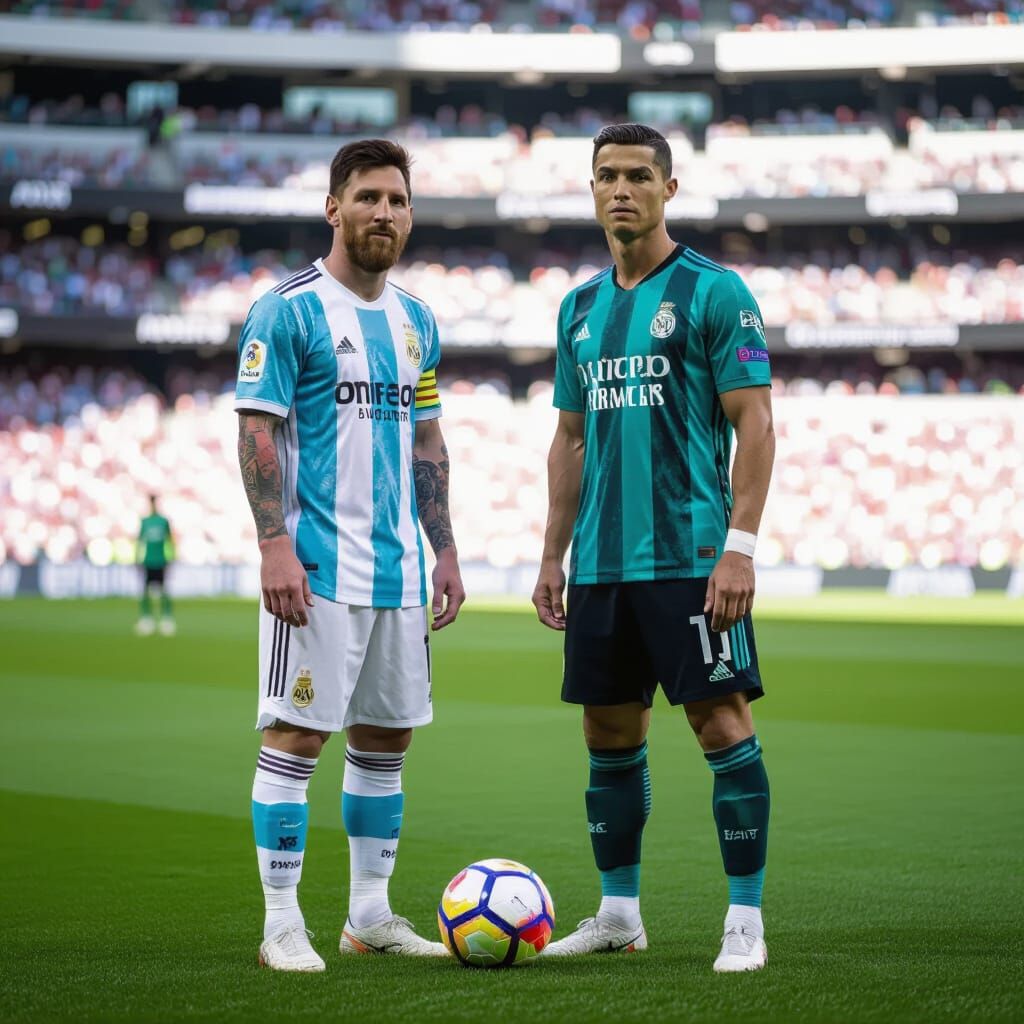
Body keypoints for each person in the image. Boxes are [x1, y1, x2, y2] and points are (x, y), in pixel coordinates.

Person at [532, 123, 775, 973]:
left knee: (720, 722)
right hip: (600, 564)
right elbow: (568, 442)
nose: (622, 189)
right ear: (591, 190)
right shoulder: (579, 308)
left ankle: (743, 919)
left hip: (690, 558)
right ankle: (617, 912)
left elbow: (755, 421)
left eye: (639, 175)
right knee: (608, 731)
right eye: (607, 176)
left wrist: (739, 548)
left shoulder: (715, 291)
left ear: (669, 188)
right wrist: (551, 556)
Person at [234, 139, 465, 972]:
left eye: (398, 200)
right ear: (334, 207)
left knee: (385, 741)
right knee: (296, 738)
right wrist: (272, 545)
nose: (385, 213)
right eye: (368, 197)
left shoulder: (417, 320)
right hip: (318, 571)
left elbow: (427, 436)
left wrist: (444, 549)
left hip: (401, 571)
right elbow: (257, 428)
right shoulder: (286, 311)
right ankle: (281, 923)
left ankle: (370, 914)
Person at [135, 494, 175, 636]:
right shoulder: (145, 521)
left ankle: (167, 618)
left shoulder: (163, 521)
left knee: (164, 591)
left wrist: (171, 558)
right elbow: (140, 541)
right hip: (148, 560)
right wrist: (137, 559)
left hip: (161, 560)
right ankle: (146, 618)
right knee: (145, 592)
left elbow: (169, 541)